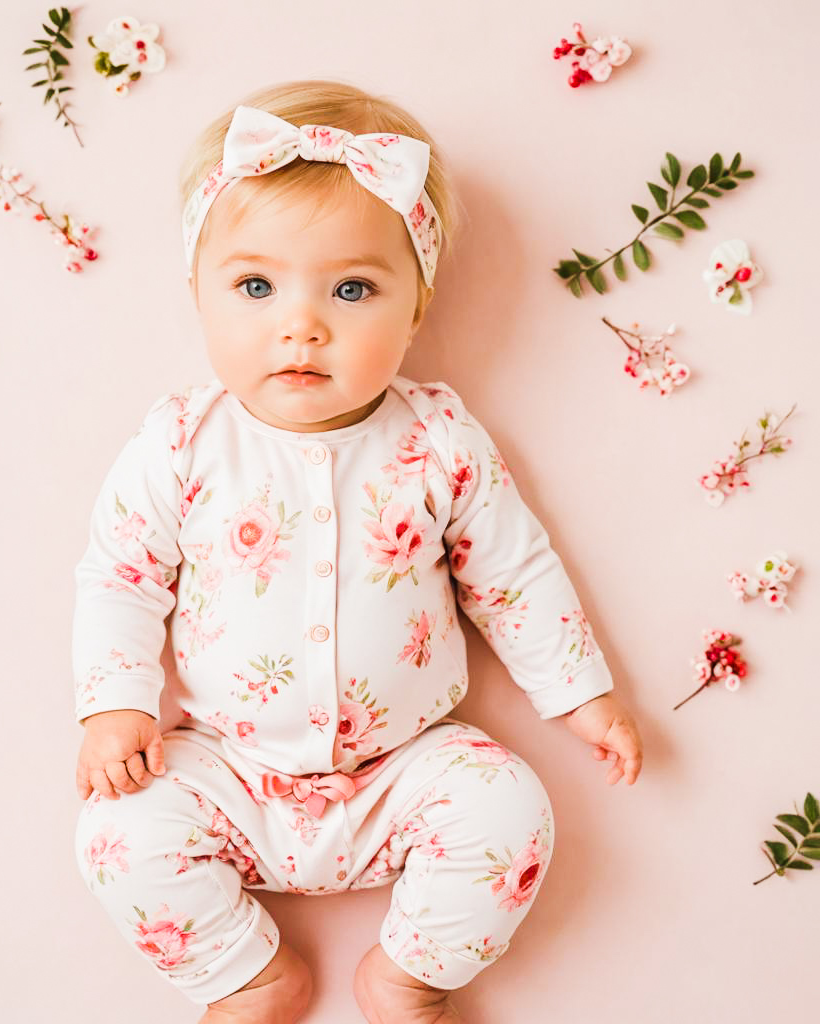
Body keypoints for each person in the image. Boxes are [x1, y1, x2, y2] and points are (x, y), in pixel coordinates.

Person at [72, 79, 643, 1024]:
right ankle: (244, 975)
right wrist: (115, 705)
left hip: (404, 769)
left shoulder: (440, 440)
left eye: (352, 289)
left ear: (416, 306)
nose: (302, 325)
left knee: (508, 807)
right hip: (228, 766)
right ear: (198, 294)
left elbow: (512, 573)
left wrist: (580, 696)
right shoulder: (181, 441)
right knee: (118, 829)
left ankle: (409, 974)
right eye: (256, 286)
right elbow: (120, 575)